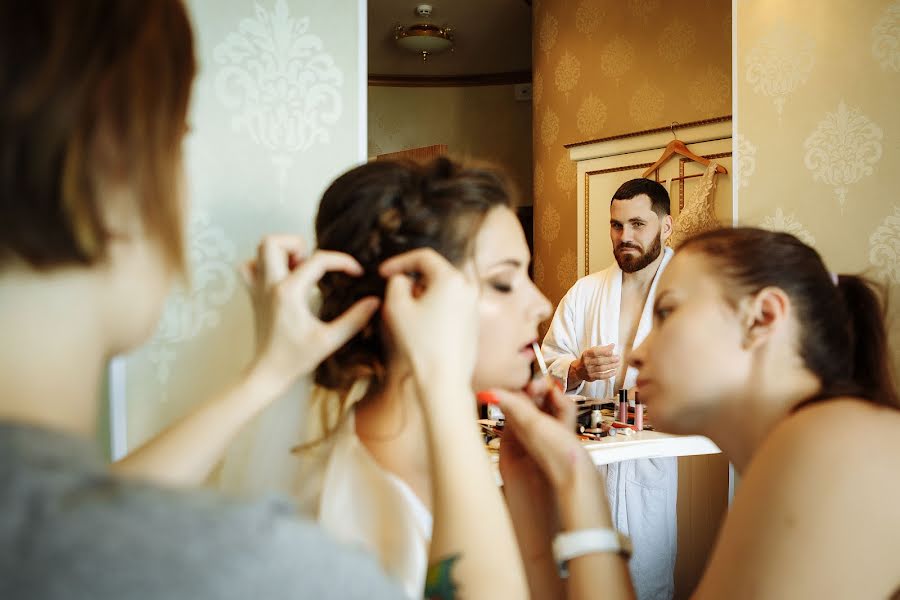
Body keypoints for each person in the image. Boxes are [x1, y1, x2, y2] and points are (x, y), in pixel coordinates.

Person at [0, 2, 526, 598]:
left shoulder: (52, 531)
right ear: (118, 170)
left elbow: (90, 522)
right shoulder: (283, 566)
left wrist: (267, 373)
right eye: (178, 144)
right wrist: (445, 391)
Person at [123, 157, 549, 597]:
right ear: (414, 291)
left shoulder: (450, 459)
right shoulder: (354, 506)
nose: (541, 305)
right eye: (503, 282)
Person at [496, 227, 900, 599]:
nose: (636, 354)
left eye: (667, 314)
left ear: (762, 318)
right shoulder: (809, 442)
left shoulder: (830, 444)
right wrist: (545, 495)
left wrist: (574, 476)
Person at [540, 178, 678, 599]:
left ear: (666, 226)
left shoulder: (690, 288)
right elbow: (546, 360)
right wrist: (577, 369)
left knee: (648, 576)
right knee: (583, 578)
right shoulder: (586, 291)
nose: (625, 237)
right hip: (590, 459)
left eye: (638, 224)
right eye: (617, 226)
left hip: (657, 462)